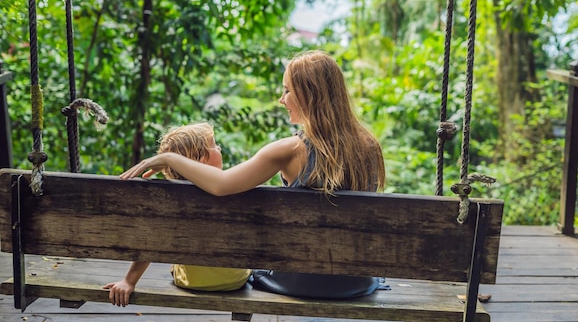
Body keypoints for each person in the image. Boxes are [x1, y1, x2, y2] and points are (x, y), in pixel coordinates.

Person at [120, 50, 386, 299]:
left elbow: (221, 185)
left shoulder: (290, 150)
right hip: (357, 282)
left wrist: (168, 157)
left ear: (308, 95)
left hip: (299, 281)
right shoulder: (370, 146)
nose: (282, 99)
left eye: (287, 90)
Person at [104, 123, 252, 307]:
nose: (219, 148)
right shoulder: (235, 187)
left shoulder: (172, 199)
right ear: (203, 159)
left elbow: (154, 241)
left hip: (191, 282)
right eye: (214, 145)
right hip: (235, 280)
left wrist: (129, 281)